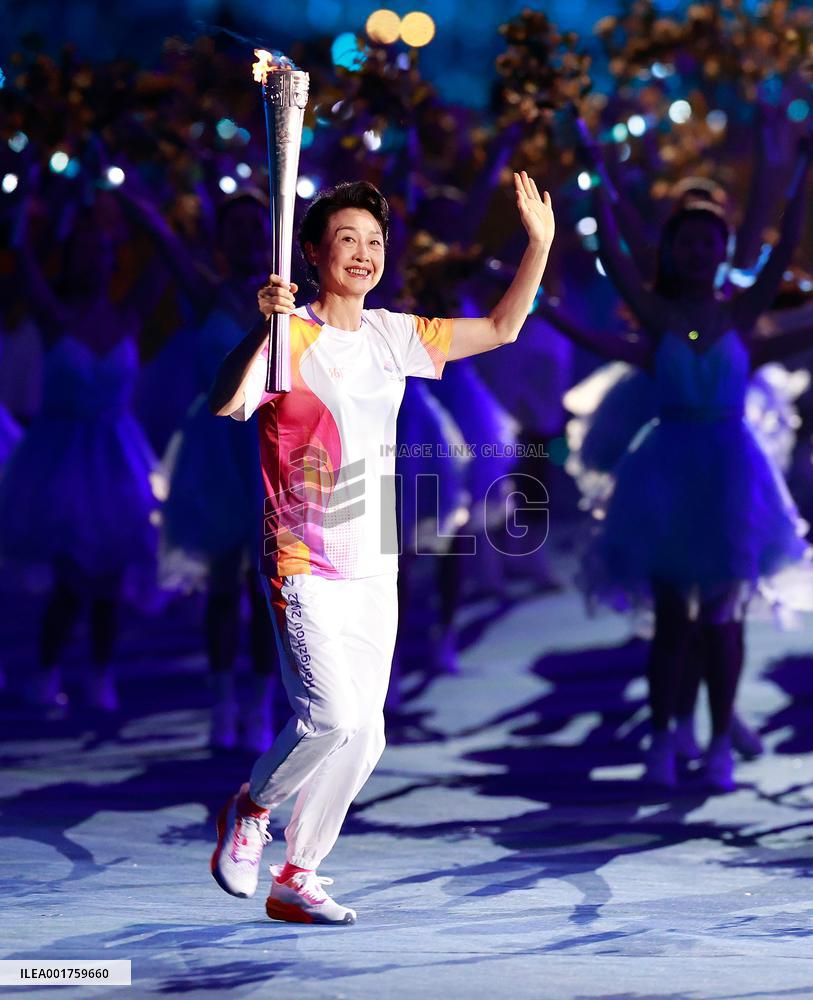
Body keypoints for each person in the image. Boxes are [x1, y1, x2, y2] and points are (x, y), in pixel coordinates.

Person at [208, 173, 555, 924]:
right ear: (310, 253)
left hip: (373, 559)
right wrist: (260, 327)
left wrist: (540, 244)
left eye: (373, 241)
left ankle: (297, 875)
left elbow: (500, 330)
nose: (363, 253)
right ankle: (252, 809)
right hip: (300, 555)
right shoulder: (287, 337)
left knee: (365, 734)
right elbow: (225, 402)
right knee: (328, 716)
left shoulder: (394, 334)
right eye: (345, 240)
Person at [575, 125, 813, 792]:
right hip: (666, 473)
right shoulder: (653, 312)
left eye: (710, 239)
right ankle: (661, 739)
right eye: (687, 239)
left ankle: (718, 745)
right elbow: (615, 255)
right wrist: (595, 173)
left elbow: (785, 242)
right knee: (671, 620)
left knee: (722, 615)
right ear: (674, 252)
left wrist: (800, 168)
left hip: (732, 473)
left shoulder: (743, 311)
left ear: (721, 250)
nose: (700, 248)